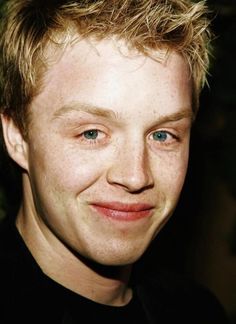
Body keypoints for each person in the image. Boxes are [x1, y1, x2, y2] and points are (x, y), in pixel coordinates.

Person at [0, 0, 230, 323]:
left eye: (163, 135)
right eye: (92, 133)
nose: (135, 176)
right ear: (17, 136)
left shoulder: (197, 311)